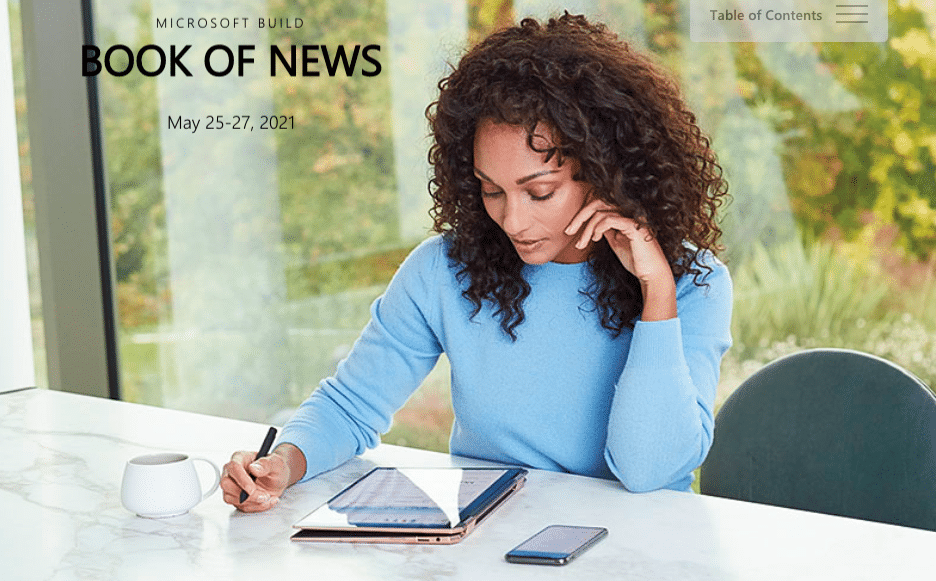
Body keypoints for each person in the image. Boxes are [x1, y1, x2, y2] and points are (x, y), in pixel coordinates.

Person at [221, 13, 732, 512]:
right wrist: (283, 464)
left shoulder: (689, 285)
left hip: (641, 553)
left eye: (539, 191)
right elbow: (350, 403)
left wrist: (656, 294)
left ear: (604, 172)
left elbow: (649, 473)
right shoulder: (443, 271)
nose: (512, 220)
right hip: (486, 548)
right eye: (492, 190)